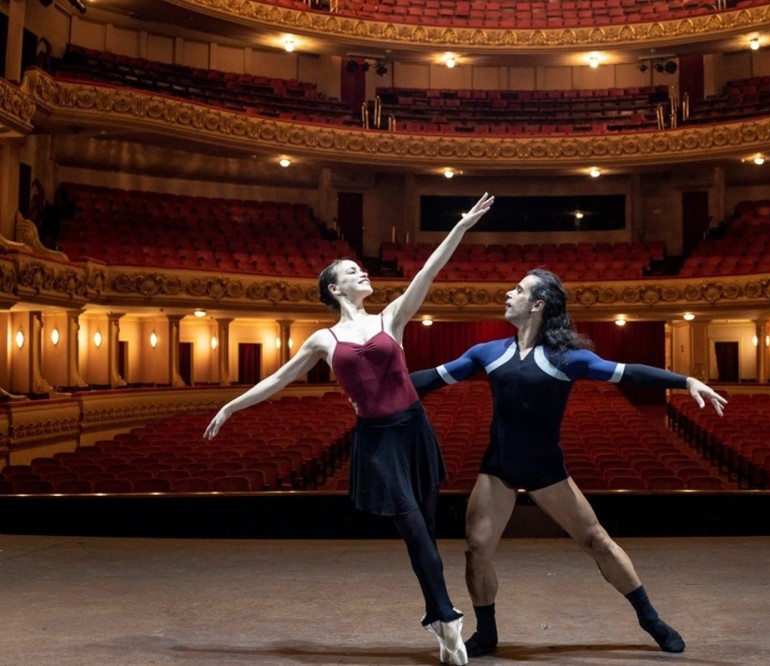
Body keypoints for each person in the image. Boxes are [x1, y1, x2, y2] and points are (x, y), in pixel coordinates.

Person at [204, 192, 495, 666]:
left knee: (423, 531)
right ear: (335, 289)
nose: (362, 273)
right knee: (413, 526)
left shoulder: (390, 318)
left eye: (361, 270)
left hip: (413, 431)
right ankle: (445, 614)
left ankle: (440, 624)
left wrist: (460, 228)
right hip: (377, 441)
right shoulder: (325, 338)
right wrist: (232, 406)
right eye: (351, 272)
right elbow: (279, 378)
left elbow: (428, 273)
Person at [410, 268, 727, 657]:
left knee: (598, 541)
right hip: (498, 470)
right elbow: (430, 380)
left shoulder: (567, 359)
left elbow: (629, 373)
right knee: (476, 550)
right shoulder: (488, 353)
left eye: (519, 290)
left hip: (546, 470)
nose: (508, 294)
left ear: (538, 305)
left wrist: (685, 382)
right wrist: (372, 387)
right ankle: (487, 633)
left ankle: (650, 619)